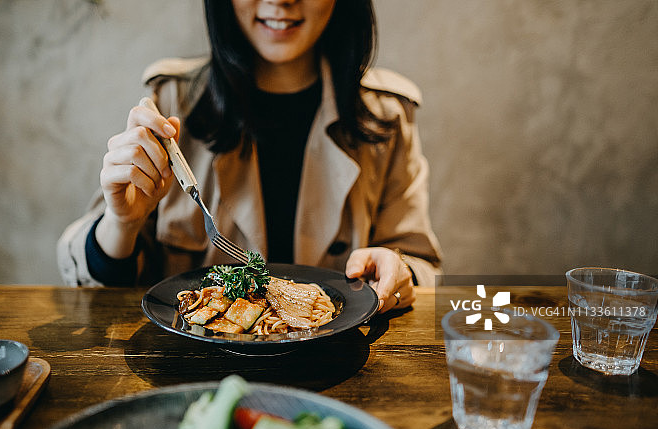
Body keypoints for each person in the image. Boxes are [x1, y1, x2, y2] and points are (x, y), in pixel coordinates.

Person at [58, 0, 442, 313]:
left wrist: (400, 273)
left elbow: (420, 264)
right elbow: (84, 277)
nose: (281, 1)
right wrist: (121, 223)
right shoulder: (172, 102)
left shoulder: (386, 115)